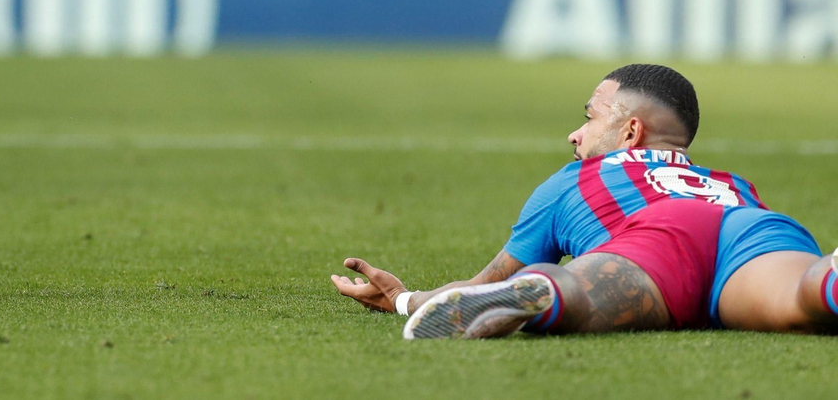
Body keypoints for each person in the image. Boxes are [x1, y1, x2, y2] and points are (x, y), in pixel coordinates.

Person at [331, 63, 838, 339]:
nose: (575, 134)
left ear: (630, 131)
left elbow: (483, 284)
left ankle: (545, 290)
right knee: (804, 301)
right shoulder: (730, 182)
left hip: (656, 239)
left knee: (576, 297)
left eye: (591, 117)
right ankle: (829, 276)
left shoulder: (574, 180)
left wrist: (404, 300)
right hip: (750, 227)